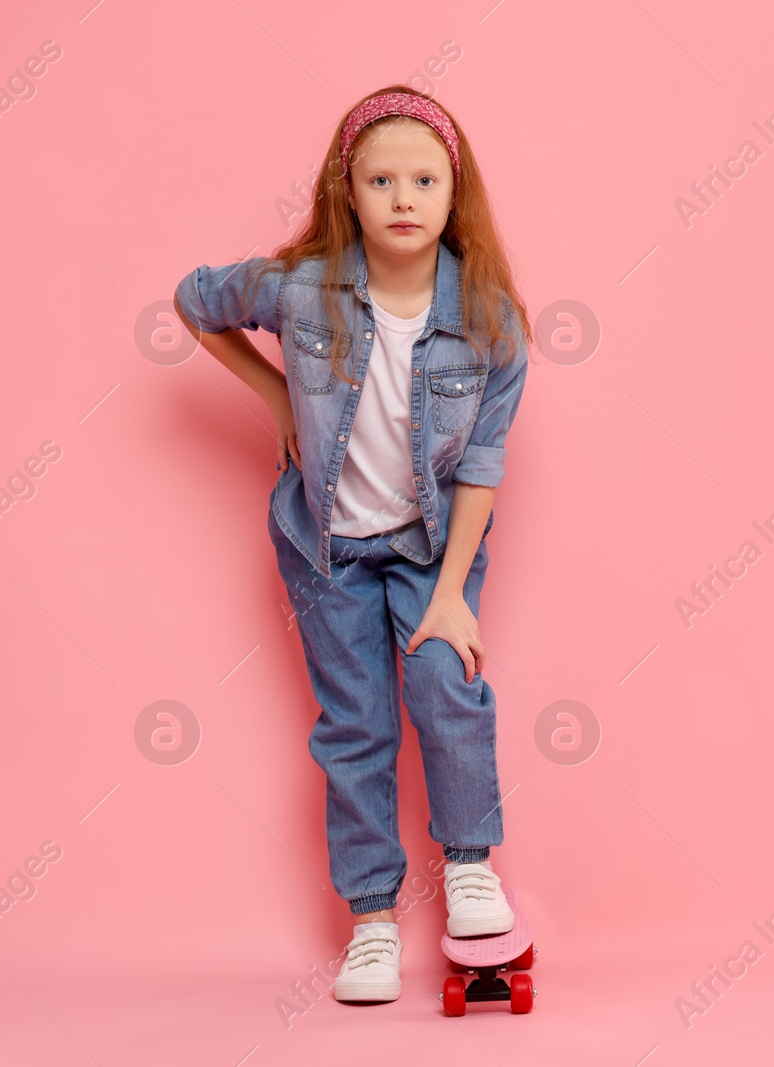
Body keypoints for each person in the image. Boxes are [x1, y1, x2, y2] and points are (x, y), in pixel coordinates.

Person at [172, 86, 531, 1004]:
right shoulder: (300, 288)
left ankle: (467, 867)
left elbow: (481, 471)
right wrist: (273, 392)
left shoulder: (490, 322)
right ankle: (372, 920)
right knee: (355, 727)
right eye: (380, 179)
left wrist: (452, 595)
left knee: (448, 689)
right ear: (349, 192)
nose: (403, 197)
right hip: (327, 549)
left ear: (456, 193)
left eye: (424, 179)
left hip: (429, 547)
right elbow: (194, 299)